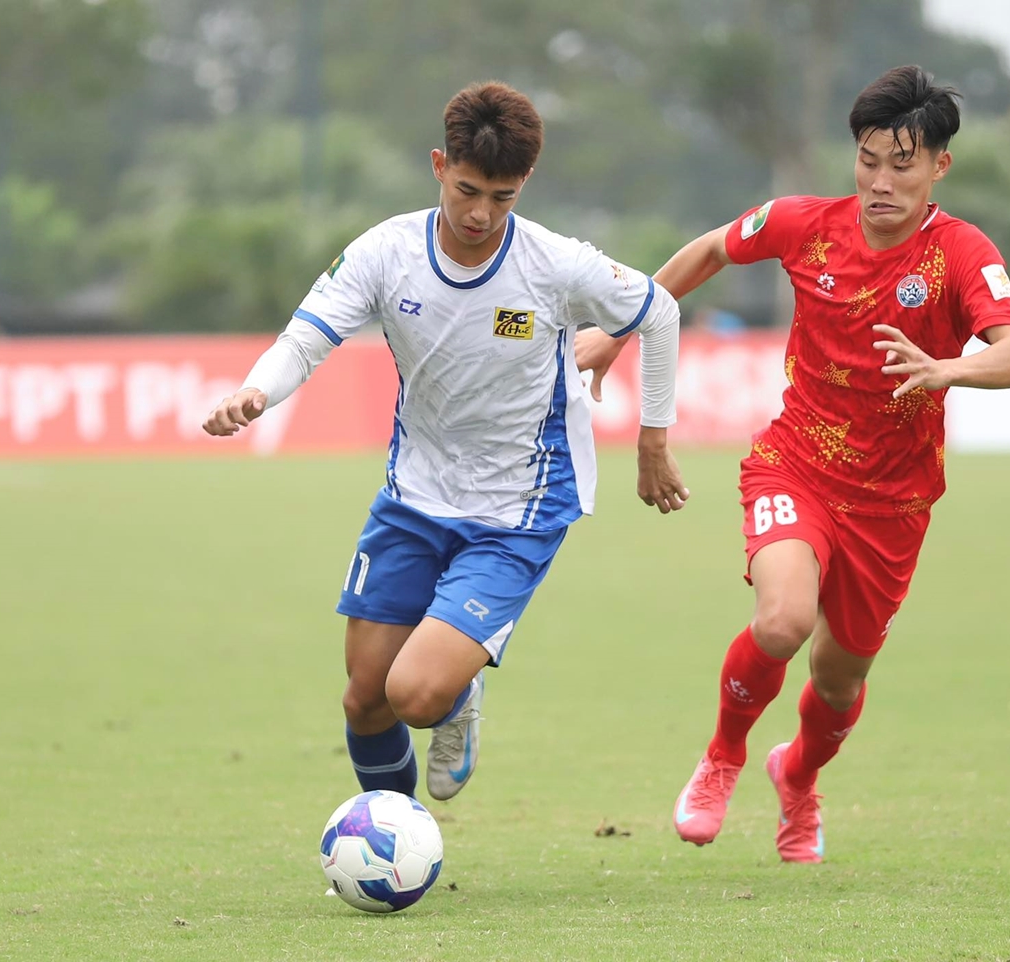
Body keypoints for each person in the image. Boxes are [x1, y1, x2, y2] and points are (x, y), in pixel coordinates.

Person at [577, 65, 1010, 863]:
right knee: (783, 620)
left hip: (893, 502)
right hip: (796, 465)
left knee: (838, 680)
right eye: (868, 160)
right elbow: (710, 251)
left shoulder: (961, 253)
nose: (881, 181)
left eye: (903, 165)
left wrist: (945, 369)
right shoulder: (804, 224)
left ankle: (797, 777)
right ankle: (722, 758)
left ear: (939, 167)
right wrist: (620, 332)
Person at [204, 81, 689, 808]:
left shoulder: (555, 264)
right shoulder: (385, 252)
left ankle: (457, 698)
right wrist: (254, 392)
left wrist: (653, 439)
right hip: (414, 496)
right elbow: (305, 339)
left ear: (525, 184)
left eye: (502, 197)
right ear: (439, 165)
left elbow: (660, 311)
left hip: (519, 508)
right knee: (366, 699)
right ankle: (394, 834)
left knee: (416, 693)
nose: (480, 213)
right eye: (467, 190)